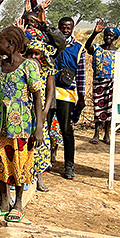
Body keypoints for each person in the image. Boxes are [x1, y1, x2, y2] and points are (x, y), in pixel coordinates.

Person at [0, 26, 44, 223]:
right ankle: (3, 202)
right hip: (0, 125)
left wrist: (39, 127)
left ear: (9, 44)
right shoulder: (0, 67)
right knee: (0, 163)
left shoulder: (29, 66)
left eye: (0, 42)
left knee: (19, 165)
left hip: (22, 127)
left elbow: (37, 98)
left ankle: (17, 204)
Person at [53, 16, 86, 180]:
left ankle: (69, 166)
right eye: (62, 28)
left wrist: (82, 96)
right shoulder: (52, 44)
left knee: (66, 130)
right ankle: (46, 161)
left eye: (68, 28)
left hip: (67, 93)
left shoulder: (79, 48)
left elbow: (81, 75)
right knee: (46, 129)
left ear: (72, 28)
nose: (65, 30)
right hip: (50, 91)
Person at [25, 39, 57, 192]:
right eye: (30, 53)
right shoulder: (23, 68)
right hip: (25, 111)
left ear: (42, 55)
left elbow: (50, 91)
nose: (33, 56)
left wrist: (45, 111)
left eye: (36, 54)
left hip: (40, 112)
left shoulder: (47, 69)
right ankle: (25, 176)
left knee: (40, 142)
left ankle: (39, 177)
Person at [85, 20, 120, 145]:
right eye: (106, 35)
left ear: (115, 37)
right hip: (98, 81)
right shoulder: (96, 48)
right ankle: (96, 133)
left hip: (113, 82)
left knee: (110, 108)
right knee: (98, 107)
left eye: (111, 36)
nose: (108, 37)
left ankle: (107, 134)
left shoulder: (119, 52)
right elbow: (87, 46)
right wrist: (94, 33)